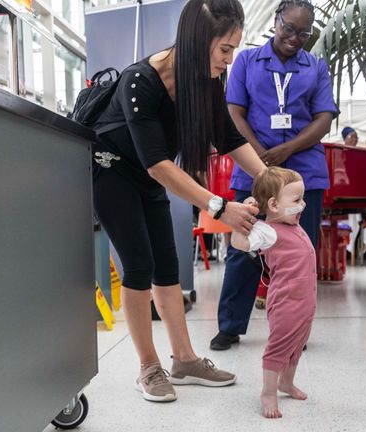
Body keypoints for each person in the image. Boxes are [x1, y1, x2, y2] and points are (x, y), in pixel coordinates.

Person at [91, 0, 266, 402]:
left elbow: (229, 138)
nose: (230, 59)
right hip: (111, 170)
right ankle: (148, 367)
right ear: (198, 41)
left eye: (235, 49)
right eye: (225, 49)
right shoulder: (141, 81)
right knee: (139, 265)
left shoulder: (204, 81)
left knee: (167, 267)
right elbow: (157, 165)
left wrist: (270, 178)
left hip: (149, 175)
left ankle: (184, 360)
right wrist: (220, 206)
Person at [210, 0, 338, 351]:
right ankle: (230, 326)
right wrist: (258, 157)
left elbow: (323, 119)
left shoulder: (316, 67)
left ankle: (295, 328)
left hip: (303, 174)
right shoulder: (247, 62)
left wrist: (285, 151)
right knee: (244, 248)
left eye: (304, 32)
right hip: (252, 170)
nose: (294, 38)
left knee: (299, 251)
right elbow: (233, 112)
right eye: (289, 28)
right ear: (276, 21)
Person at [231, 167, 316, 418]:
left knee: (297, 345)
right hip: (286, 302)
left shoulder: (291, 222)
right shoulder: (267, 231)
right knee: (279, 348)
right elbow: (239, 244)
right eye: (297, 200)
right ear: (273, 205)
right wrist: (243, 219)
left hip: (306, 301)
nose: (303, 205)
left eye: (302, 198)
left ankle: (286, 382)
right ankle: (268, 392)